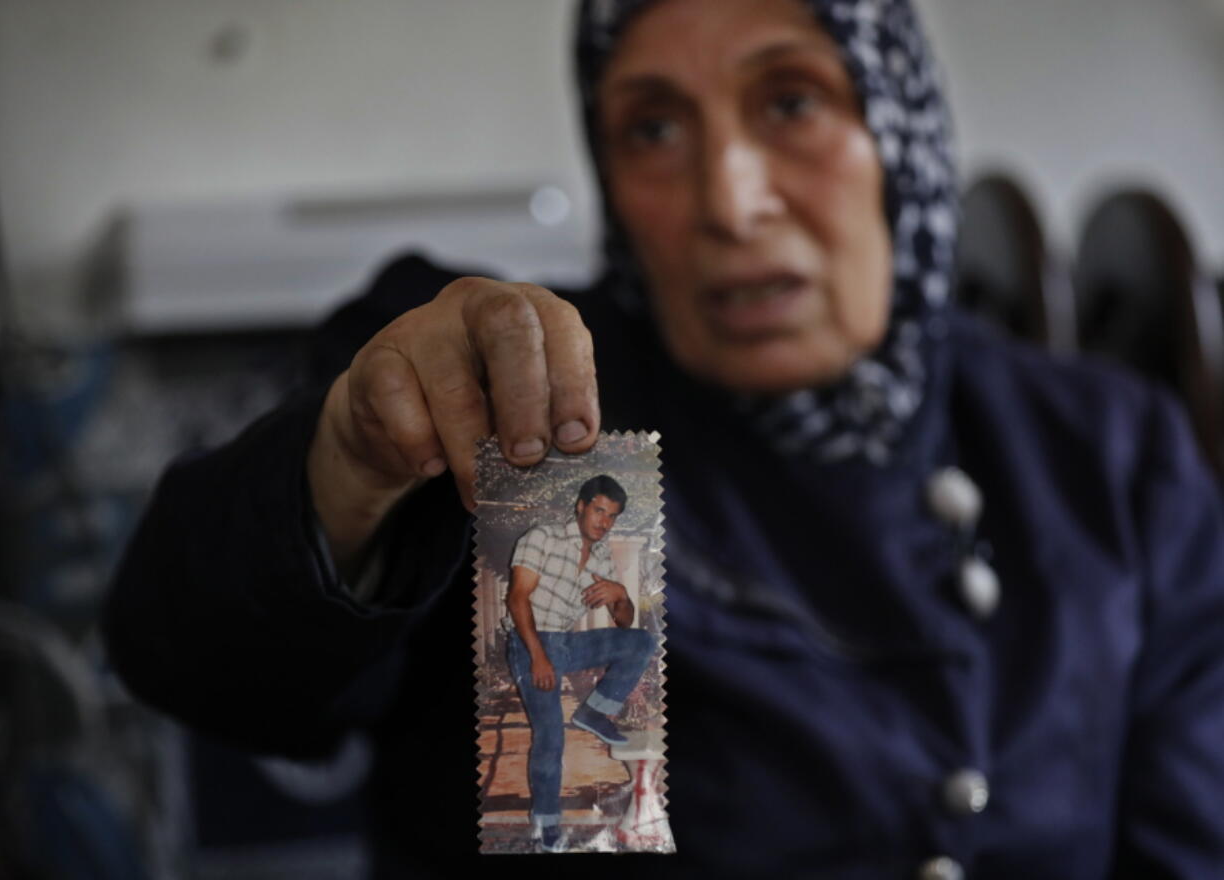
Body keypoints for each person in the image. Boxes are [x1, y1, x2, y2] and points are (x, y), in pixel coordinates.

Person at [103, 0, 1224, 877]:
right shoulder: (555, 432)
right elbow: (192, 662)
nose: (727, 200)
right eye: (650, 126)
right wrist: (347, 461)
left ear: (901, 129)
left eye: (790, 102)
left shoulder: (1097, 451)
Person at [504, 474, 656, 851]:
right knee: (550, 736)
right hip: (530, 645)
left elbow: (623, 622)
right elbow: (516, 599)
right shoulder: (543, 537)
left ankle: (593, 712)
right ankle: (547, 824)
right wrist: (538, 657)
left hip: (567, 644)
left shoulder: (602, 555)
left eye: (612, 516)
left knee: (641, 641)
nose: (604, 522)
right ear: (581, 506)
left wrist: (621, 594)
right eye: (599, 511)